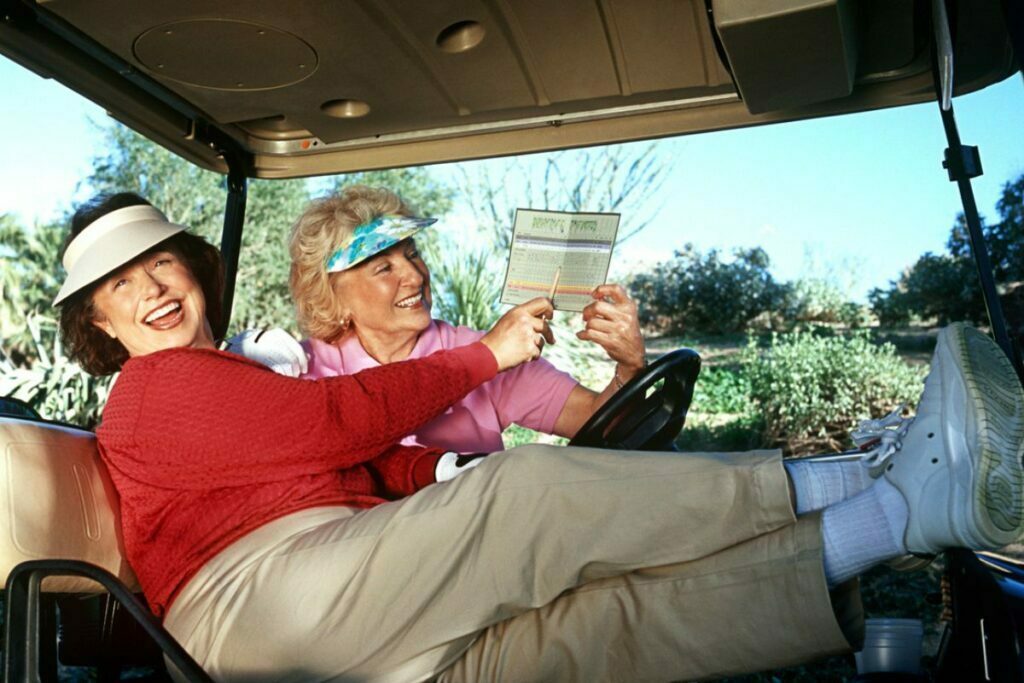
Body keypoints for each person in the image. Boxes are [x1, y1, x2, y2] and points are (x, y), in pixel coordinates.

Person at [56, 191, 1024, 683]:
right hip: (252, 603)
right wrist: (478, 366)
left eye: (162, 262)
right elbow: (334, 423)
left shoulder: (225, 373)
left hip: (342, 591)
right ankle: (861, 470)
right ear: (98, 324)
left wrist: (438, 460)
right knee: (518, 494)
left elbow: (352, 457)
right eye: (118, 282)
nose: (150, 287)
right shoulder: (153, 385)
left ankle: (906, 512)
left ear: (194, 270)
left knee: (600, 624)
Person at [254, 185, 648, 452]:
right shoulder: (299, 373)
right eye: (383, 268)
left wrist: (630, 367)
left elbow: (602, 425)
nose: (414, 275)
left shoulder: (490, 350)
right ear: (333, 297)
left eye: (411, 254)